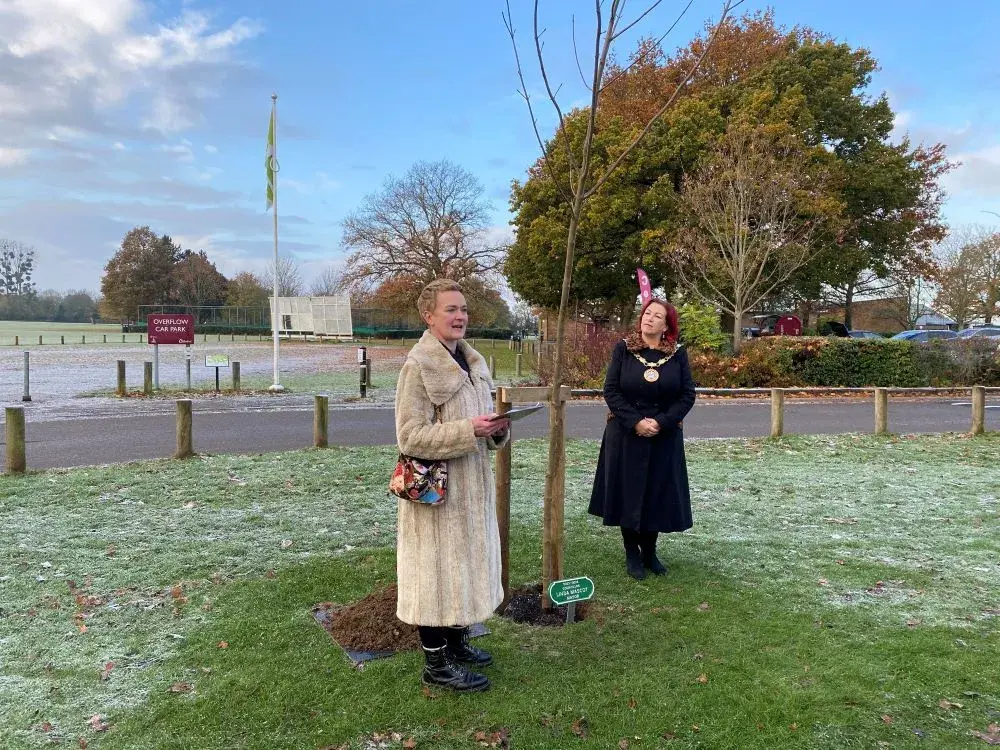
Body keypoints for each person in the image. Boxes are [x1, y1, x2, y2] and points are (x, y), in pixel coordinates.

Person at [394, 279, 511, 692]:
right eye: (450, 309)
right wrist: (469, 430)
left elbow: (481, 423)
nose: (460, 316)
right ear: (429, 316)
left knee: (465, 566)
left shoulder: (473, 363)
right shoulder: (419, 367)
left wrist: (496, 430)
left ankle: (459, 642)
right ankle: (436, 665)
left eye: (463, 309)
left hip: (473, 487)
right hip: (437, 495)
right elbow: (409, 436)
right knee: (435, 575)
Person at [588, 298, 696, 580]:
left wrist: (660, 422)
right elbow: (611, 391)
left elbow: (687, 395)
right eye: (647, 313)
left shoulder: (678, 355)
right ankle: (631, 553)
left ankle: (649, 551)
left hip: (664, 436)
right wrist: (635, 422)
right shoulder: (623, 350)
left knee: (655, 493)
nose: (649, 318)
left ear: (666, 325)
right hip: (625, 433)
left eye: (657, 315)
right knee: (629, 492)